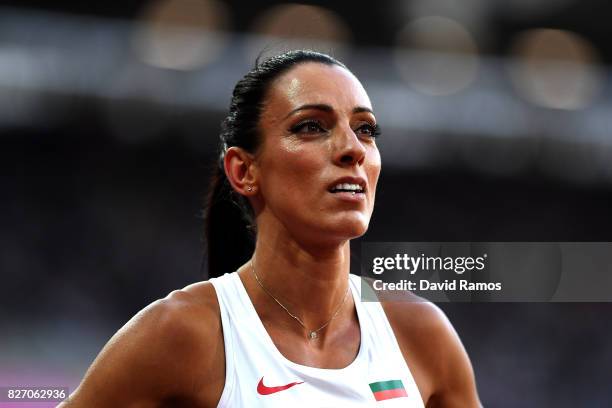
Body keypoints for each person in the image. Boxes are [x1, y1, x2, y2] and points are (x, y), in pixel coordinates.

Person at [61, 50, 481, 407]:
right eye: (311, 126)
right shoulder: (183, 333)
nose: (353, 148)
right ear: (244, 170)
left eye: (365, 129)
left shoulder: (420, 332)